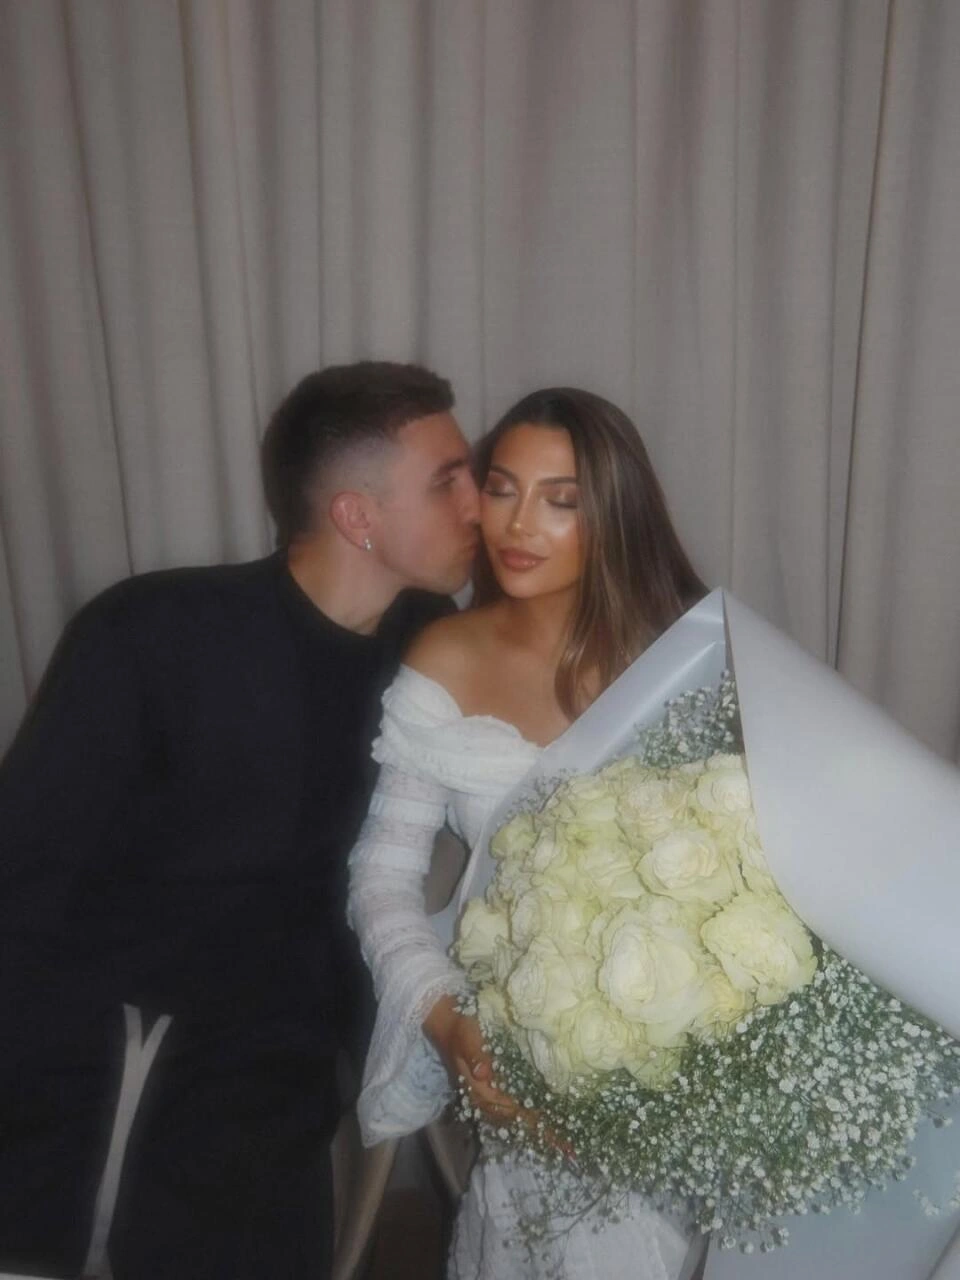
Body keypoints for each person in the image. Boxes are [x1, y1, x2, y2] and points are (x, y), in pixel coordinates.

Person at [0, 361, 480, 1280]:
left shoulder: (429, 643)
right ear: (357, 516)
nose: (479, 505)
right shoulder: (155, 632)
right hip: (120, 1064)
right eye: (446, 481)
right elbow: (24, 882)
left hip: (286, 1076)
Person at [348, 387, 707, 1279]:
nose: (516, 523)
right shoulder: (446, 658)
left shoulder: (694, 660)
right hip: (531, 1059)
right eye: (502, 488)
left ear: (613, 512)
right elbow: (382, 879)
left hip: (697, 1063)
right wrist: (446, 1019)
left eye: (561, 500)